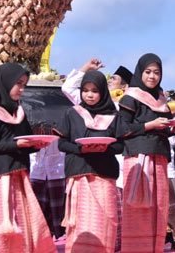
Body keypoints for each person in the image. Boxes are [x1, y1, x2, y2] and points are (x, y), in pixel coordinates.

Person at [0, 63, 56, 253]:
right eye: (18, 83)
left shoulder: (17, 111)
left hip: (19, 175)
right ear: (5, 82)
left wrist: (35, 145)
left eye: (24, 85)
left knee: (25, 226)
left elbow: (23, 143)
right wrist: (16, 145)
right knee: (2, 230)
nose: (21, 89)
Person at [55, 70, 124, 253]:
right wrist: (79, 149)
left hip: (104, 175)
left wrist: (105, 148)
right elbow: (61, 143)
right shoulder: (72, 113)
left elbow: (121, 146)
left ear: (102, 91)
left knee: (105, 221)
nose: (89, 94)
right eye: (85, 90)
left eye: (94, 90)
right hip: (79, 174)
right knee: (82, 224)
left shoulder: (113, 115)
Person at [118, 53, 173, 253]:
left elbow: (166, 128)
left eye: (156, 72)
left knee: (158, 208)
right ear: (140, 72)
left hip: (159, 157)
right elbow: (122, 129)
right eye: (148, 72)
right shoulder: (131, 97)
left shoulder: (160, 98)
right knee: (139, 208)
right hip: (138, 158)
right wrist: (150, 125)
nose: (152, 76)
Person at [29, 121, 66, 240]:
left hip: (57, 169)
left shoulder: (62, 117)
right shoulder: (28, 115)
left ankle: (52, 237)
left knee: (56, 213)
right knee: (36, 212)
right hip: (35, 169)